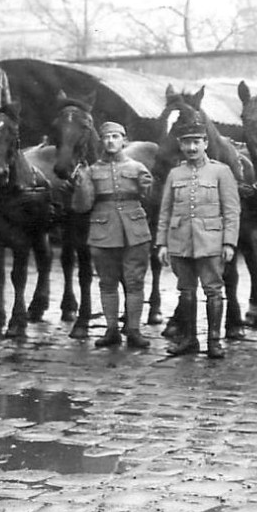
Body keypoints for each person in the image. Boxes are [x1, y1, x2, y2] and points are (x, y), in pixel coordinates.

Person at [153, 111, 239, 359]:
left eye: (196, 142)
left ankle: (214, 342)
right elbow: (165, 211)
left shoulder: (221, 172)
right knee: (186, 291)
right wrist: (162, 244)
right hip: (180, 242)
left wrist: (229, 242)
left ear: (205, 144)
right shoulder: (175, 174)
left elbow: (232, 210)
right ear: (180, 145)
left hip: (210, 242)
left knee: (213, 290)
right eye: (186, 143)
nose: (191, 147)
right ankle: (189, 339)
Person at [71, 121, 154, 349]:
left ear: (124, 140)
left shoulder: (138, 168)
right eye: (106, 137)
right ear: (101, 142)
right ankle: (111, 331)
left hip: (135, 232)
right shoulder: (90, 171)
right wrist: (80, 186)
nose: (110, 141)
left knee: (135, 281)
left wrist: (148, 186)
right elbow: (81, 206)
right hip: (103, 231)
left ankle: (134, 330)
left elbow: (151, 199)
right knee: (107, 283)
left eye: (115, 136)